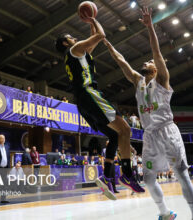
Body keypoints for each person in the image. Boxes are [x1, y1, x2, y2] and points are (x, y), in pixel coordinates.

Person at [103, 7, 193, 220]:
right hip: (149, 135)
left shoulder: (162, 79)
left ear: (156, 68)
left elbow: (156, 53)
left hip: (167, 131)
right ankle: (165, 213)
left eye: (149, 62)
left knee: (182, 174)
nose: (146, 62)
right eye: (146, 62)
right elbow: (122, 63)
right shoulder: (138, 82)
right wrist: (108, 45)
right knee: (147, 179)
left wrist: (150, 27)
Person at [55, 15, 143, 200]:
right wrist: (93, 18)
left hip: (83, 101)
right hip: (90, 94)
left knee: (114, 135)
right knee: (126, 129)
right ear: (65, 43)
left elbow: (95, 37)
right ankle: (126, 174)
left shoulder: (80, 53)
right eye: (71, 37)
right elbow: (101, 34)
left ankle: (107, 175)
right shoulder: (74, 49)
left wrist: (91, 26)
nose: (75, 39)